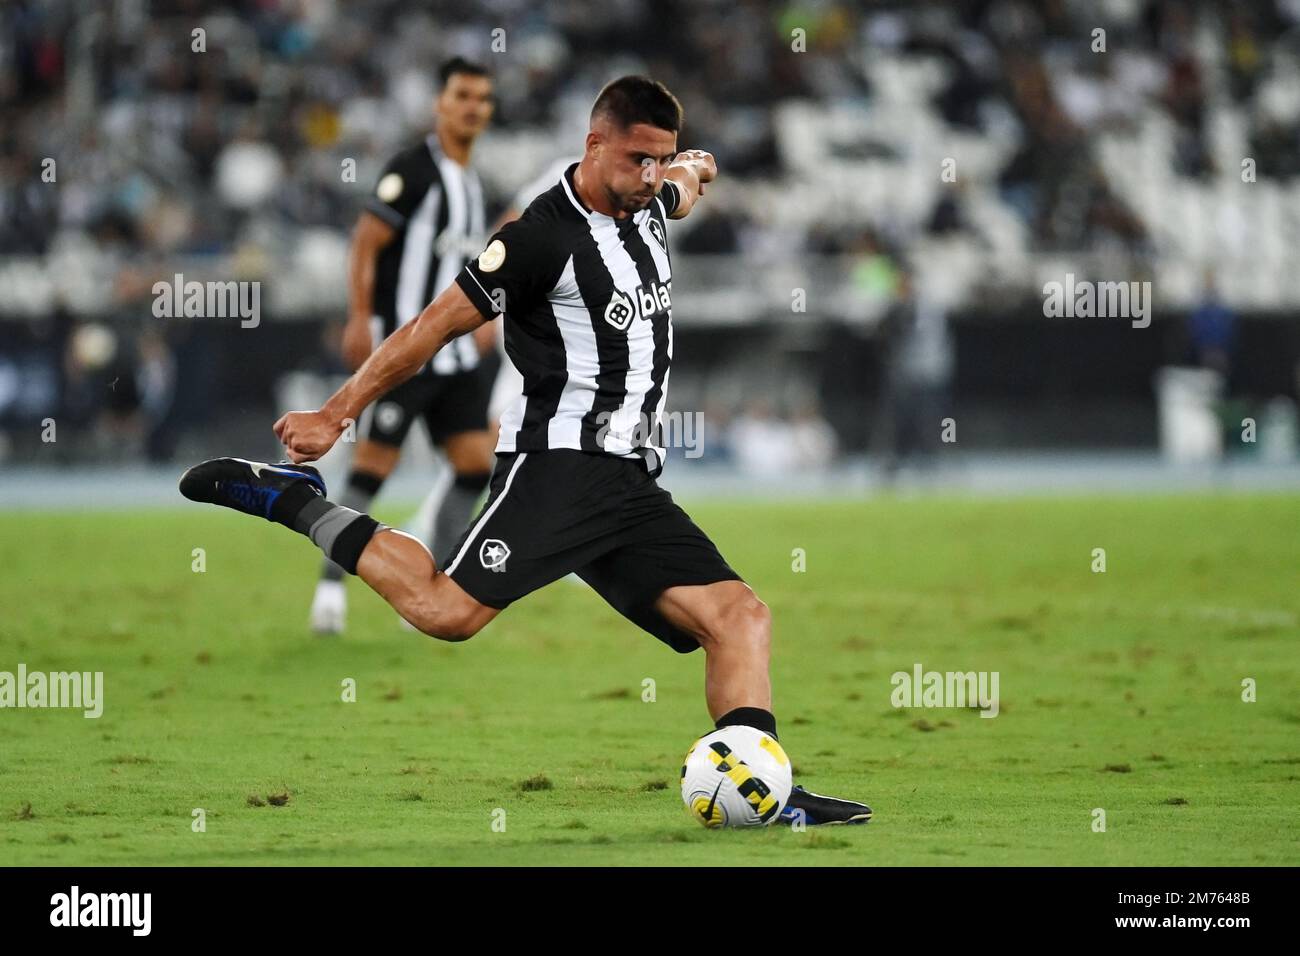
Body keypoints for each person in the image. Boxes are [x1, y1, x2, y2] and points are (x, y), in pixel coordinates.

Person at [181, 76, 871, 825]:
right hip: (557, 467)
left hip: (631, 485)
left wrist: (693, 169)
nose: (649, 176)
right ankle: (293, 501)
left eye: (659, 160)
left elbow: (683, 187)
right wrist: (334, 414)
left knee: (741, 617)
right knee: (446, 613)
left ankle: (763, 790)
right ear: (593, 144)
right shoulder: (539, 238)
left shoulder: (652, 198)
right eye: (637, 159)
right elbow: (430, 329)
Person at [310, 57, 499, 635]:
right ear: (439, 103)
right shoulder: (412, 170)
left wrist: (487, 315)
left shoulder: (471, 182)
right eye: (462, 95)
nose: (473, 107)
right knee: (371, 470)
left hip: (459, 357)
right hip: (408, 351)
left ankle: (434, 582)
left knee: (475, 464)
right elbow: (366, 244)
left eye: (482, 98)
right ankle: (329, 592)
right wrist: (361, 316)